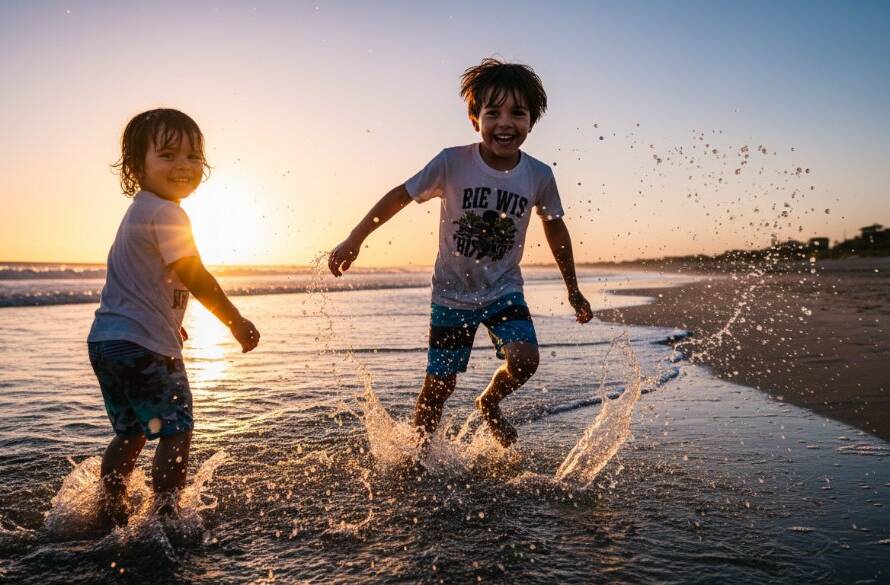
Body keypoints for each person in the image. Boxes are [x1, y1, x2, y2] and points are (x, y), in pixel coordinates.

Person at [328, 58, 592, 448]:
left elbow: (554, 226)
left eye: (517, 113)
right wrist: (355, 237)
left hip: (504, 290)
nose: (505, 123)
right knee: (440, 386)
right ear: (475, 119)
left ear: (531, 122)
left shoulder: (539, 175)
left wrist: (572, 288)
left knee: (525, 360)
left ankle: (490, 402)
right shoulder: (452, 162)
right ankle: (416, 456)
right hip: (452, 295)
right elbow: (402, 195)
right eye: (493, 112)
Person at [87, 108, 260, 525]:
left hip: (108, 342)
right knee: (175, 430)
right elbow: (193, 274)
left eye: (192, 156)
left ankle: (109, 508)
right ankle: (166, 515)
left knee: (130, 432)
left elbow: (136, 282)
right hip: (145, 346)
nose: (183, 166)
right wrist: (234, 320)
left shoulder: (138, 211)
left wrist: (168, 317)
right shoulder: (167, 212)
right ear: (136, 166)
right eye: (167, 155)